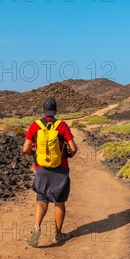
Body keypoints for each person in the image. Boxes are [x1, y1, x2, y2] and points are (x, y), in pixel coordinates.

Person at [22, 98, 78, 247]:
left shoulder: (35, 125)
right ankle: (58, 235)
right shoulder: (62, 126)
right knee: (59, 202)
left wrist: (34, 154)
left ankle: (36, 227)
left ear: (43, 110)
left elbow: (25, 148)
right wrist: (67, 155)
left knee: (42, 199)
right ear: (55, 110)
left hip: (41, 169)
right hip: (60, 169)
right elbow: (73, 148)